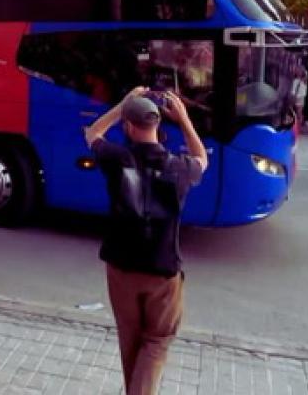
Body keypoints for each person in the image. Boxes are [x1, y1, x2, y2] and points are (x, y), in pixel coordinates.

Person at [83, 87, 207, 395]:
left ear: (128, 126)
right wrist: (185, 119)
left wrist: (121, 104)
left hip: (122, 268)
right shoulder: (179, 167)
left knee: (131, 337)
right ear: (158, 126)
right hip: (162, 272)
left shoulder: (117, 159)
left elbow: (93, 132)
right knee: (157, 341)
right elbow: (202, 157)